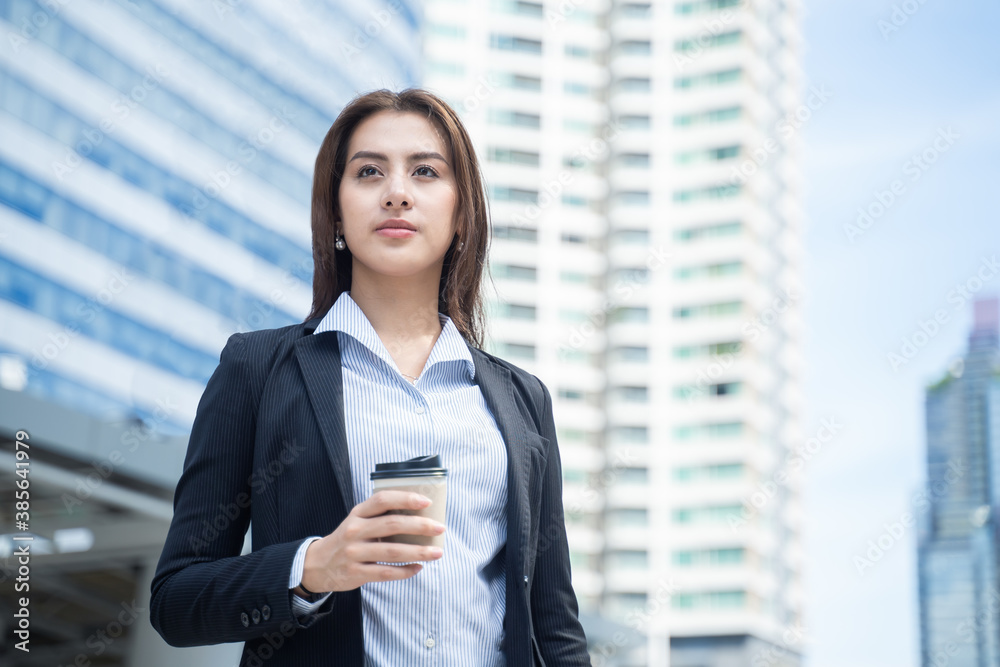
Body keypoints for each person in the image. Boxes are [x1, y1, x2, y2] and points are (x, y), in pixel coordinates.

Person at [149, 89, 591, 666]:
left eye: (426, 172)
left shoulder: (523, 400)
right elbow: (176, 601)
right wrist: (312, 567)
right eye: (369, 172)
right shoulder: (256, 370)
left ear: (462, 213)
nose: (397, 192)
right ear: (335, 210)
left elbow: (554, 628)